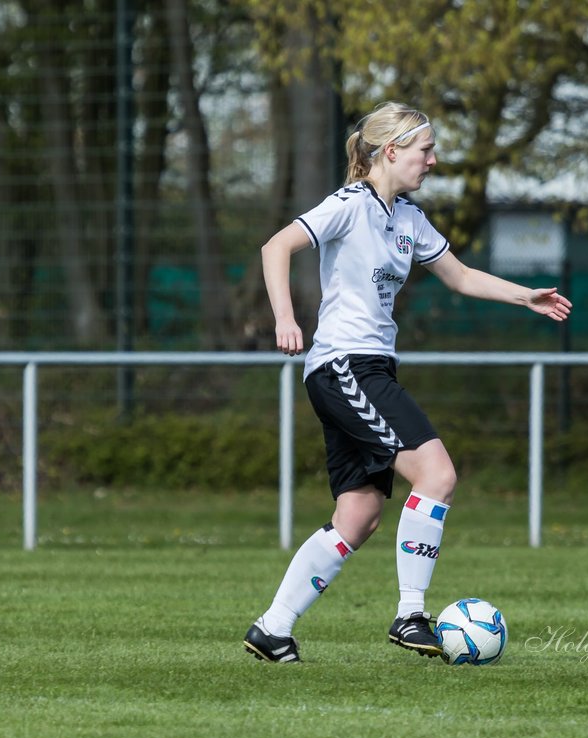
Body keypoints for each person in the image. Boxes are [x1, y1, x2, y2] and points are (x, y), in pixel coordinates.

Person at [243, 102, 571, 663]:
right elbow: (276, 246)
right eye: (425, 150)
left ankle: (272, 629)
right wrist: (285, 318)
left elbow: (460, 276)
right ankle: (411, 614)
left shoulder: (409, 219)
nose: (433, 160)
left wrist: (526, 296)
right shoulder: (348, 206)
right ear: (390, 152)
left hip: (367, 370)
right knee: (437, 473)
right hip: (345, 365)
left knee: (359, 515)